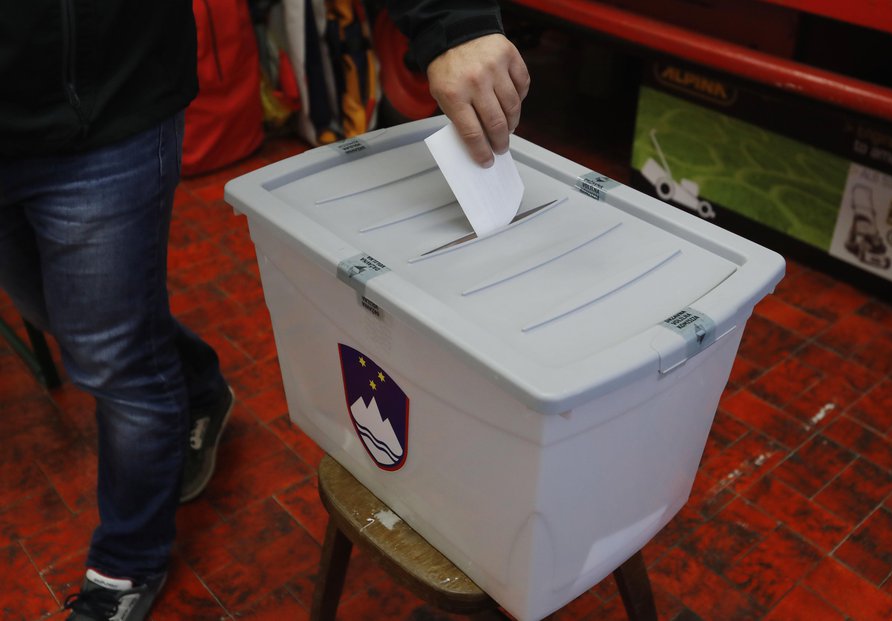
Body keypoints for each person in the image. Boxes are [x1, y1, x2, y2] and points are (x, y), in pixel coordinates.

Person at [0, 1, 528, 620]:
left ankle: (126, 565)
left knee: (112, 363)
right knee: (66, 317)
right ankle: (198, 387)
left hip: (106, 111)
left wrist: (452, 23)